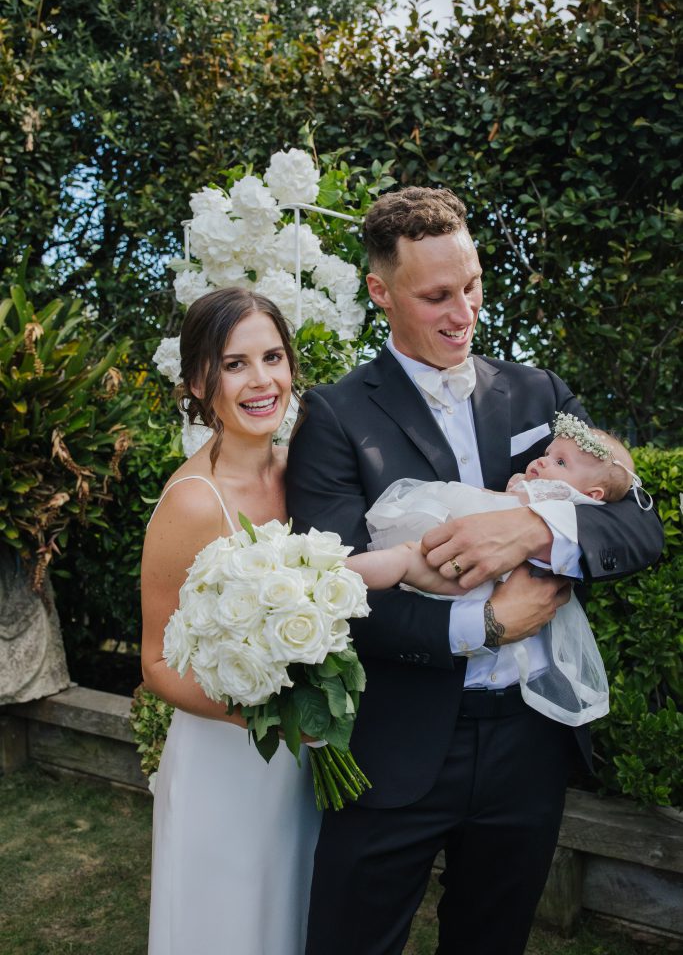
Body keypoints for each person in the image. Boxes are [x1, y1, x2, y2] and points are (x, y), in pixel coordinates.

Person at [285, 186, 663, 955]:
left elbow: (637, 520)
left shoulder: (538, 393)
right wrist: (481, 624)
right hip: (396, 742)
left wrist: (531, 526)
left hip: (529, 742)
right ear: (380, 292)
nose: (464, 313)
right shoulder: (333, 416)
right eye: (436, 297)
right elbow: (333, 589)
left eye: (472, 285)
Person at [141, 285, 461, 955]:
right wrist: (275, 716)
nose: (262, 381)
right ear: (197, 381)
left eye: (273, 357)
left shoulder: (306, 471)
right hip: (229, 758)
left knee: (305, 921)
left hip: (306, 760)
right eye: (234, 364)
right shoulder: (192, 503)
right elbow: (157, 664)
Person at [365, 416, 653, 728]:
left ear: (593, 495)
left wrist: (536, 530)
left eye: (560, 462)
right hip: (421, 699)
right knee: (408, 558)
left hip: (526, 705)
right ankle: (338, 573)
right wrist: (478, 623)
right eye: (547, 453)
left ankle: (346, 572)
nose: (542, 461)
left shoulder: (565, 497)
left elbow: (635, 518)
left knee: (408, 560)